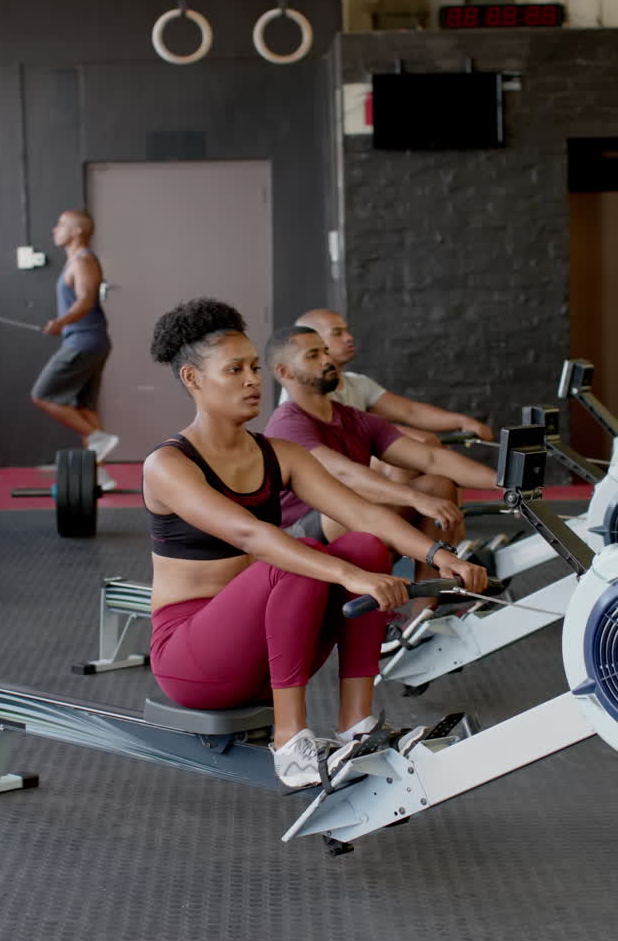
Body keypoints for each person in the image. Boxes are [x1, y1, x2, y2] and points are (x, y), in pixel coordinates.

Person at [142, 297, 487, 791]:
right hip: (192, 659)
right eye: (234, 370)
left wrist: (439, 556)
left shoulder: (278, 454)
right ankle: (290, 744)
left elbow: (362, 512)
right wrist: (351, 577)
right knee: (297, 561)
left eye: (254, 368)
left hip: (267, 649)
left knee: (364, 544)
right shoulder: (168, 464)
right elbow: (251, 534)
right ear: (193, 379)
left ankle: (356, 726)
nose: (252, 380)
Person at [264, 324, 498, 608]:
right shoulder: (287, 423)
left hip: (355, 514)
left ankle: (425, 610)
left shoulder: (352, 417)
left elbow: (430, 458)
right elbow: (344, 475)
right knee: (352, 505)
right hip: (297, 535)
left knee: (437, 485)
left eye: (325, 351)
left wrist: (506, 483)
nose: (326, 360)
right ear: (285, 372)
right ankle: (377, 609)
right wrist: (415, 498)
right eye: (313, 355)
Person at [281, 307, 494, 445]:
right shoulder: (304, 389)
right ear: (312, 341)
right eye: (337, 333)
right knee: (409, 456)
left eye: (347, 331)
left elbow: (409, 412)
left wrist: (463, 422)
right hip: (331, 478)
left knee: (436, 480)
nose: (349, 338)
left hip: (357, 469)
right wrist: (410, 438)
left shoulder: (357, 383)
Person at [31, 208, 120, 487]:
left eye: (61, 225)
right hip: (87, 339)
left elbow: (86, 300)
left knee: (43, 395)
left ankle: (98, 439)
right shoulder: (75, 261)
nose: (55, 230)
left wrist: (60, 323)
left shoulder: (82, 260)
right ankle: (101, 477)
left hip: (84, 340)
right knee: (85, 409)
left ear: (77, 231)